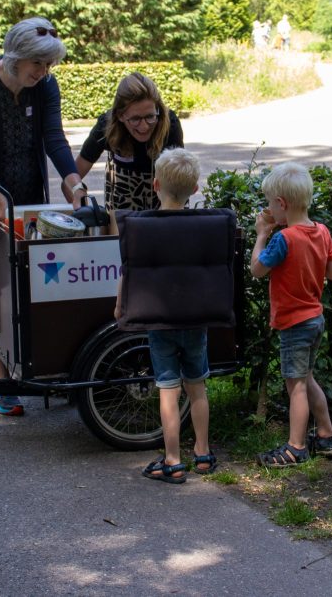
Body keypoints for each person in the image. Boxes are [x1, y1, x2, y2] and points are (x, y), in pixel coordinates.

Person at [0, 16, 87, 417]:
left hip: (24, 195)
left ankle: (44, 370)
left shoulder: (44, 87)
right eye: (38, 65)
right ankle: (3, 379)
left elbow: (54, 137)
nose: (43, 73)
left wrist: (72, 182)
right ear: (16, 56)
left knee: (32, 283)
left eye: (49, 66)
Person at [113, 148, 218, 483]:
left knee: (168, 391)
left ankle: (172, 460)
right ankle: (202, 453)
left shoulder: (143, 227)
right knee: (197, 389)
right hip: (195, 319)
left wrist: (120, 306)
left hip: (160, 320)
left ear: (155, 184)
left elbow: (130, 272)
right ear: (195, 189)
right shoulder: (205, 227)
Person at [250, 161, 332, 467]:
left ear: (281, 203)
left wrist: (262, 234)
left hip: (293, 322)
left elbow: (257, 270)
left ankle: (296, 446)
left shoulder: (283, 239)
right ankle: (327, 436)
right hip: (315, 319)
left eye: (270, 204)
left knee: (297, 385)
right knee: (307, 378)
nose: (269, 210)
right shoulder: (322, 231)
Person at [76, 72, 184, 212]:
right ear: (120, 115)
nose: (144, 126)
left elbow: (179, 180)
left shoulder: (170, 125)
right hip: (122, 202)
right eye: (135, 119)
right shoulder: (106, 126)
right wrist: (78, 199)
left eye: (150, 116)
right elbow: (74, 175)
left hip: (165, 199)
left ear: (158, 110)